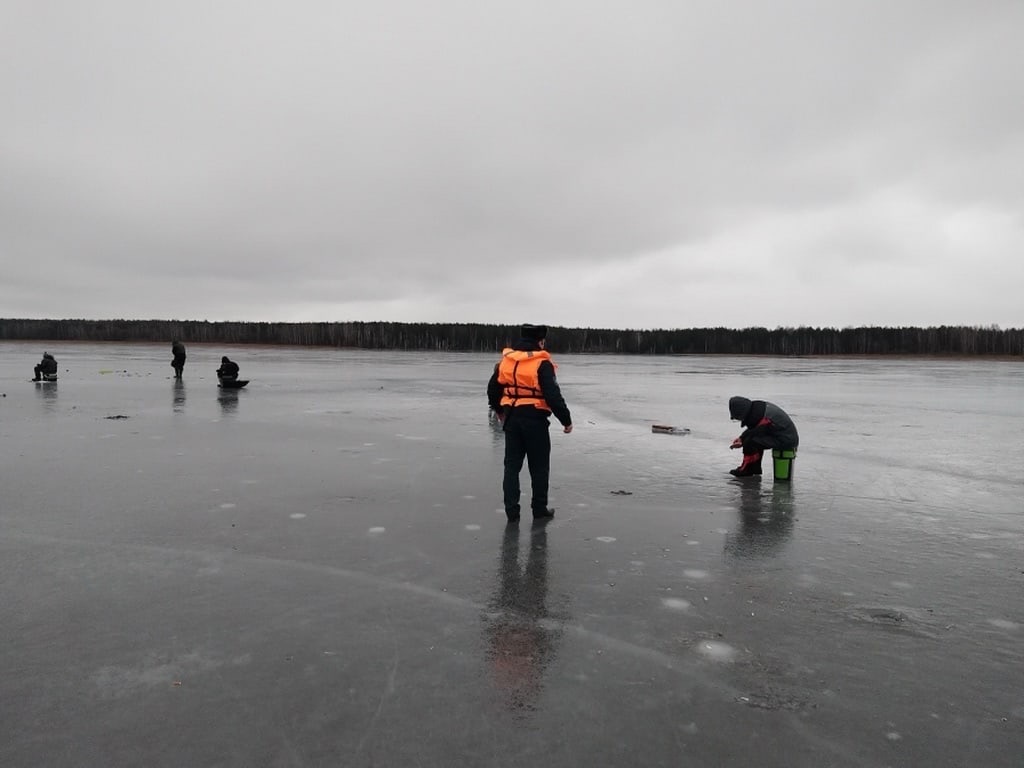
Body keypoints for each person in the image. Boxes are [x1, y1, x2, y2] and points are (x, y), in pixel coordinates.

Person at [488, 324, 572, 523]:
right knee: (539, 467)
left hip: (512, 419)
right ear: (540, 341)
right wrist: (566, 420)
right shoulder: (541, 363)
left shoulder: (506, 362)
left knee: (511, 467)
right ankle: (539, 509)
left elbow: (493, 389)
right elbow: (552, 395)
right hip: (535, 420)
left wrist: (499, 411)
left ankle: (511, 512)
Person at [727, 396, 799, 477]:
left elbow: (756, 431)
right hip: (785, 436)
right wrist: (741, 438)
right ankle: (754, 469)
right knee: (753, 440)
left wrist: (743, 440)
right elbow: (754, 429)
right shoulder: (757, 408)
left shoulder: (758, 416)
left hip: (786, 439)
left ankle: (747, 470)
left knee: (750, 442)